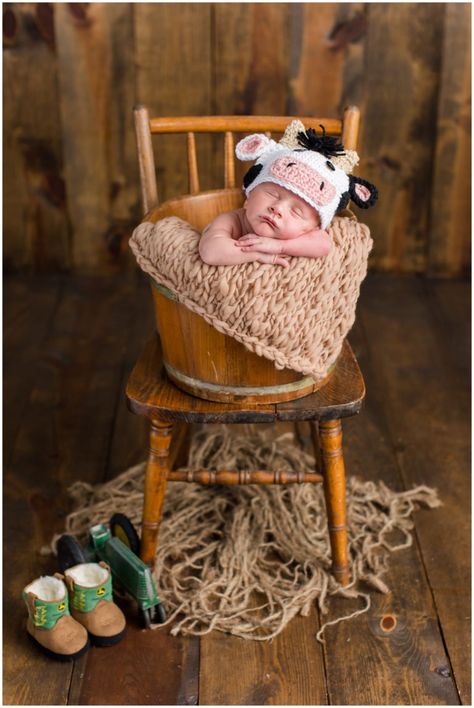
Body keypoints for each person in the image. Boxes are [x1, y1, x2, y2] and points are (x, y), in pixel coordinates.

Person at [199, 120, 378, 268]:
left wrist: (279, 246)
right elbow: (210, 251)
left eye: (296, 212)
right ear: (248, 197)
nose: (277, 209)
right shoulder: (232, 221)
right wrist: (257, 254)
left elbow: (324, 245)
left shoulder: (308, 236)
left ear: (312, 228)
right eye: (272, 194)